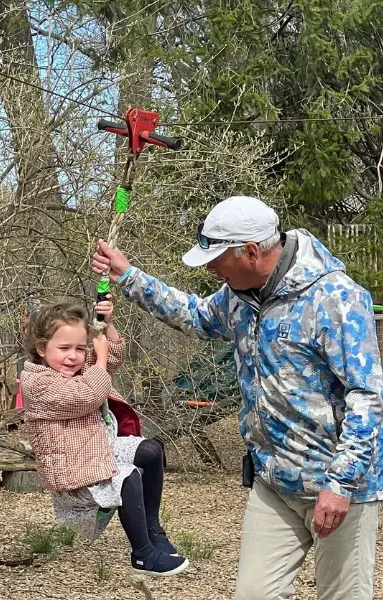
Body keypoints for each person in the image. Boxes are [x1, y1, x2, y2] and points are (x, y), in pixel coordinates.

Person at [91, 195, 383, 599]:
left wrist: (341, 483)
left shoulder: (336, 299)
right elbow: (193, 314)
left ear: (250, 251)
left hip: (338, 488)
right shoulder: (238, 298)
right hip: (273, 482)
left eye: (216, 258)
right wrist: (127, 275)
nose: (210, 268)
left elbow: (367, 397)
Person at [20, 298, 189, 577]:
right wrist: (96, 359)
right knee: (127, 477)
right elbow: (87, 396)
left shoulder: (74, 366)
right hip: (73, 468)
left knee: (151, 450)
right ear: (41, 347)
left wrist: (107, 325)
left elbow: (112, 357)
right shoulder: (37, 382)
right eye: (64, 348)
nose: (73, 356)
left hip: (96, 448)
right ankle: (143, 555)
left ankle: (153, 529)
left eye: (79, 348)